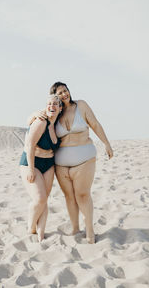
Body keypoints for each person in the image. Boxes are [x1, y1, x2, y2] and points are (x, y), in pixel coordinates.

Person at [29, 82, 113, 243]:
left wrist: (106, 143)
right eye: (60, 93)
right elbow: (35, 120)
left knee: (82, 195)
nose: (64, 94)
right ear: (55, 97)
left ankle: (90, 230)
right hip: (61, 164)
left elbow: (94, 124)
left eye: (65, 91)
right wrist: (33, 114)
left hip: (84, 159)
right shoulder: (56, 113)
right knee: (69, 197)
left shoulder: (81, 105)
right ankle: (75, 228)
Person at [19, 94, 62, 242]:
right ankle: (31, 228)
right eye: (49, 104)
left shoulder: (58, 125)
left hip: (48, 164)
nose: (52, 106)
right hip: (31, 162)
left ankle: (41, 233)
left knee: (45, 201)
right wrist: (31, 169)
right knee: (39, 199)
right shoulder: (40, 121)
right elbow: (30, 145)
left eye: (56, 104)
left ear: (60, 108)